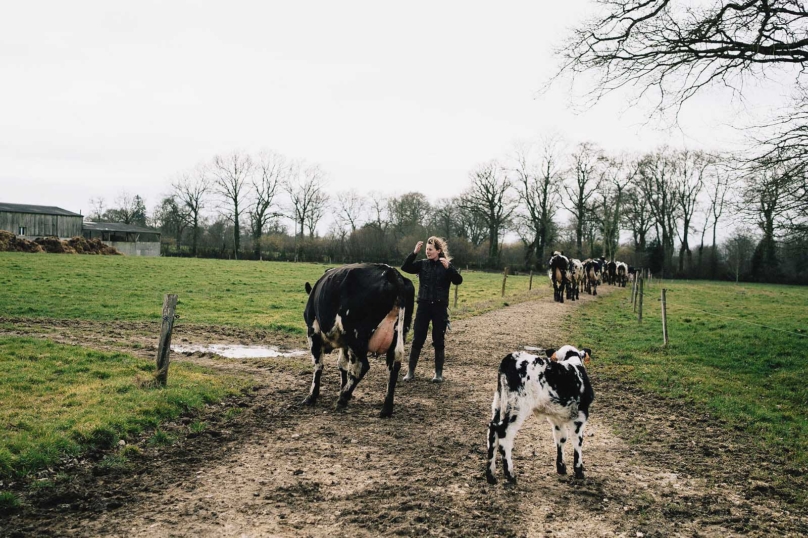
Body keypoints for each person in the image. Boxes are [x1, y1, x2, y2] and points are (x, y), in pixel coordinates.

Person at [400, 236, 463, 383]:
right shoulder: (422, 264)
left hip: (440, 308)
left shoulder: (445, 265)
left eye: (430, 250)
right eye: (427, 250)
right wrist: (414, 252)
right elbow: (405, 267)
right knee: (417, 338)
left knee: (438, 339)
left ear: (438, 251)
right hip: (423, 306)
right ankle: (410, 372)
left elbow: (458, 280)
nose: (428, 252)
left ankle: (438, 374)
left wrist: (450, 268)